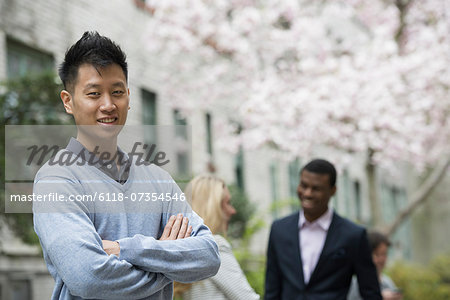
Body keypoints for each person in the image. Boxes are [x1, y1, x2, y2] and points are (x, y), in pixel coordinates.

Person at [32, 31, 220, 300]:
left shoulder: (158, 179)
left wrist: (124, 249)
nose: (108, 105)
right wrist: (167, 259)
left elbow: (208, 256)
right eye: (94, 94)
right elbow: (88, 278)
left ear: (129, 97)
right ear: (68, 101)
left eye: (117, 92)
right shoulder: (56, 179)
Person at [264, 159, 382, 300]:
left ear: (333, 191)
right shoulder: (279, 230)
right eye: (303, 186)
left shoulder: (353, 235)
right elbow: (272, 289)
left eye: (316, 188)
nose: (307, 193)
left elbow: (371, 293)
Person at [177, 174, 260, 300]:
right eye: (227, 203)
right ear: (212, 207)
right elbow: (246, 297)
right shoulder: (214, 247)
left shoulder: (186, 248)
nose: (232, 211)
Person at [348, 231, 403, 300]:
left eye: (384, 254)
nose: (382, 259)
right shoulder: (355, 285)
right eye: (377, 254)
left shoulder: (387, 283)